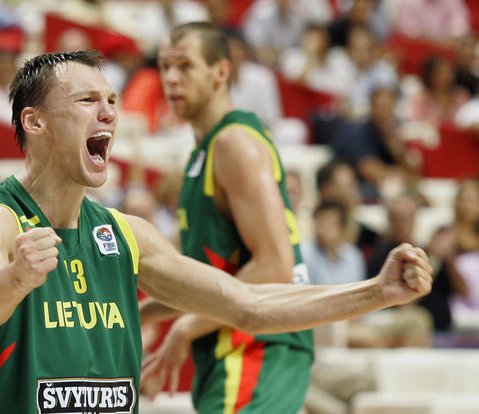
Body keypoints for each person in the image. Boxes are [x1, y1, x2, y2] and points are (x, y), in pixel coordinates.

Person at [0, 50, 433, 413]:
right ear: (35, 122)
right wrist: (16, 277)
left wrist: (376, 292)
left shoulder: (127, 234)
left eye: (111, 100)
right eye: (88, 100)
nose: (109, 111)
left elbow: (250, 307)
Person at [138, 23, 426, 414]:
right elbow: (210, 280)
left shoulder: (234, 143)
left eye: (185, 66)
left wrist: (187, 325)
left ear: (221, 72)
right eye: (165, 66)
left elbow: (274, 265)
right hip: (234, 344)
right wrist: (144, 314)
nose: (171, 78)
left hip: (256, 347)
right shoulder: (203, 153)